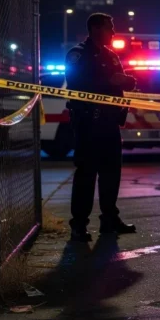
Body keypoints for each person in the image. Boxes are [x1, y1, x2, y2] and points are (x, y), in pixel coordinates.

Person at [64, 13, 138, 242]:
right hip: (88, 122)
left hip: (109, 122)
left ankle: (109, 220)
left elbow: (126, 81)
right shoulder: (78, 54)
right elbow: (76, 83)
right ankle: (79, 225)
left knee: (111, 172)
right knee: (86, 173)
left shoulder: (111, 55)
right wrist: (111, 82)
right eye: (110, 27)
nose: (113, 32)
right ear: (96, 28)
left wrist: (126, 81)